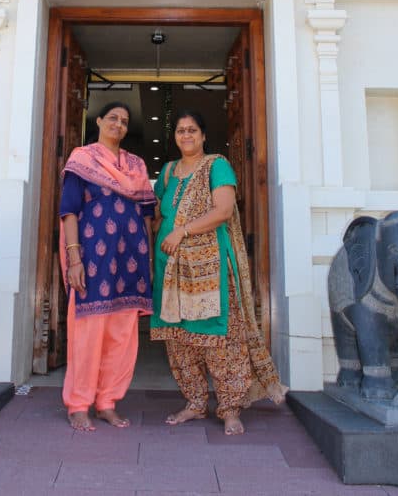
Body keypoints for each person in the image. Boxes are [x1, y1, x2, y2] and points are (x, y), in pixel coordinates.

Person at [151, 110, 286, 435]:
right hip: (171, 269)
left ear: (203, 135)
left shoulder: (217, 165)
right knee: (179, 340)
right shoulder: (168, 172)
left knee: (221, 339)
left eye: (192, 130)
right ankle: (195, 404)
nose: (186, 136)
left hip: (211, 271)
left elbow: (223, 211)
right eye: (181, 131)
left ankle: (230, 408)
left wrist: (181, 231)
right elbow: (157, 213)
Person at [60, 102, 155, 431]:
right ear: (99, 121)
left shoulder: (136, 165)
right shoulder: (82, 159)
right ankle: (79, 403)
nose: (118, 124)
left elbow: (146, 217)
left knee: (122, 335)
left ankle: (107, 401)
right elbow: (69, 210)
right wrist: (74, 258)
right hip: (94, 259)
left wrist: (149, 264)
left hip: (131, 259)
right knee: (88, 332)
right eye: (112, 118)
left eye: (124, 121)